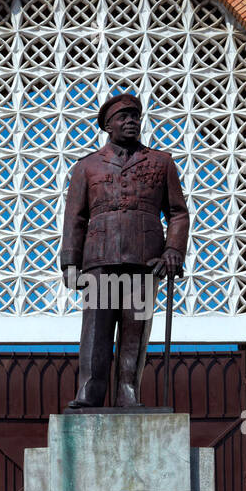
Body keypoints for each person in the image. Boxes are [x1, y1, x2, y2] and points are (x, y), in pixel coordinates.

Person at [59, 93, 189, 409]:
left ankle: (128, 392)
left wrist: (174, 249)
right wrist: (70, 263)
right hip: (99, 260)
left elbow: (178, 213)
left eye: (135, 117)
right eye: (123, 117)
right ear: (107, 125)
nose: (131, 122)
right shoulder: (87, 167)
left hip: (145, 261)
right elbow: (75, 216)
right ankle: (89, 393)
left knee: (135, 329)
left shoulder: (161, 162)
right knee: (96, 331)